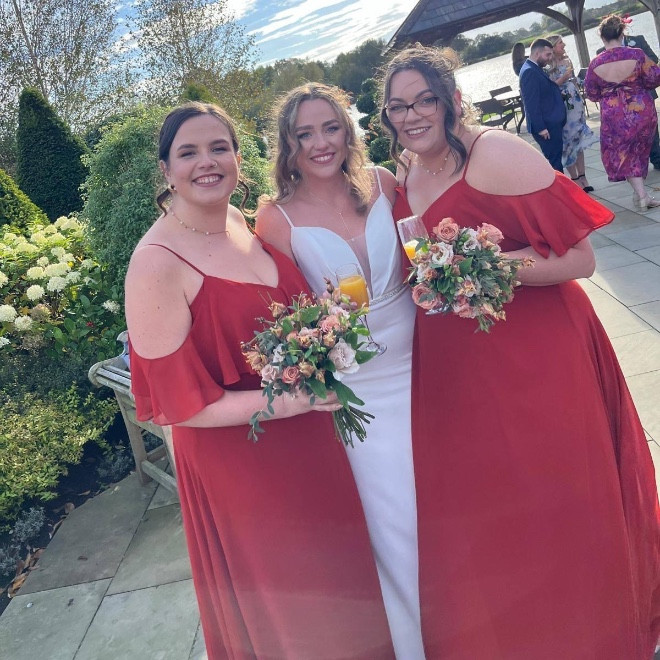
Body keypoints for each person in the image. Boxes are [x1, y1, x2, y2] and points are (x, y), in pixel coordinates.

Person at [380, 44, 660, 658]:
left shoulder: (496, 154)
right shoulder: (406, 169)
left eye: (425, 99)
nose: (412, 114)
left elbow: (580, 259)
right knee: (500, 507)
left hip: (535, 355)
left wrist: (482, 266)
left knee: (560, 494)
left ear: (452, 99)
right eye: (398, 106)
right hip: (460, 367)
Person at [124, 102, 395, 659]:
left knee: (351, 593)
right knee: (305, 618)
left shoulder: (240, 221)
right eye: (189, 152)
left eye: (219, 148)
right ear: (166, 170)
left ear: (238, 157)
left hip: (313, 443)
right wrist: (289, 404)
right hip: (244, 468)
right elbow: (178, 407)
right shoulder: (155, 263)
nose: (207, 162)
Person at [255, 83, 424, 659]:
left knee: (447, 497)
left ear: (348, 129)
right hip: (357, 384)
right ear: (287, 144)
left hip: (425, 360)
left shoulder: (383, 181)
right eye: (304, 133)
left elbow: (421, 244)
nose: (320, 143)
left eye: (330, 127)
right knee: (393, 515)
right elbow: (279, 305)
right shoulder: (274, 218)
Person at [585, 14, 660, 210]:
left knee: (624, 154)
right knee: (638, 152)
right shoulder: (636, 54)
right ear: (622, 33)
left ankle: (641, 195)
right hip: (641, 110)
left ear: (602, 37)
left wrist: (609, 93)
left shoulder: (595, 64)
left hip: (614, 115)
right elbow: (655, 78)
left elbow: (591, 93)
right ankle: (642, 196)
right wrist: (636, 85)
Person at [597, 21, 660, 170]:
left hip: (642, 95)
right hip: (619, 101)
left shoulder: (638, 41)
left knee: (650, 130)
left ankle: (657, 159)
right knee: (626, 134)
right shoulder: (600, 52)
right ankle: (635, 164)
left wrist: (637, 66)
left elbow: (654, 59)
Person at [546, 34, 597, 191]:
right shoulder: (547, 67)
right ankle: (574, 178)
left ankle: (583, 176)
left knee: (578, 142)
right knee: (568, 144)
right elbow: (549, 88)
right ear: (553, 47)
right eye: (560, 43)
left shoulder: (567, 61)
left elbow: (573, 80)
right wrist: (563, 78)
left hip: (575, 105)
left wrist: (580, 88)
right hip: (562, 107)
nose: (564, 45)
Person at [519, 38, 567, 172]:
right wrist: (541, 128)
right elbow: (531, 103)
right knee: (555, 164)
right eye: (547, 54)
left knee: (556, 161)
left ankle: (560, 185)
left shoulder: (534, 68)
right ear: (537, 54)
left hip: (550, 122)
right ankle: (559, 186)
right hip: (546, 126)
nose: (550, 58)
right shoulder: (529, 71)